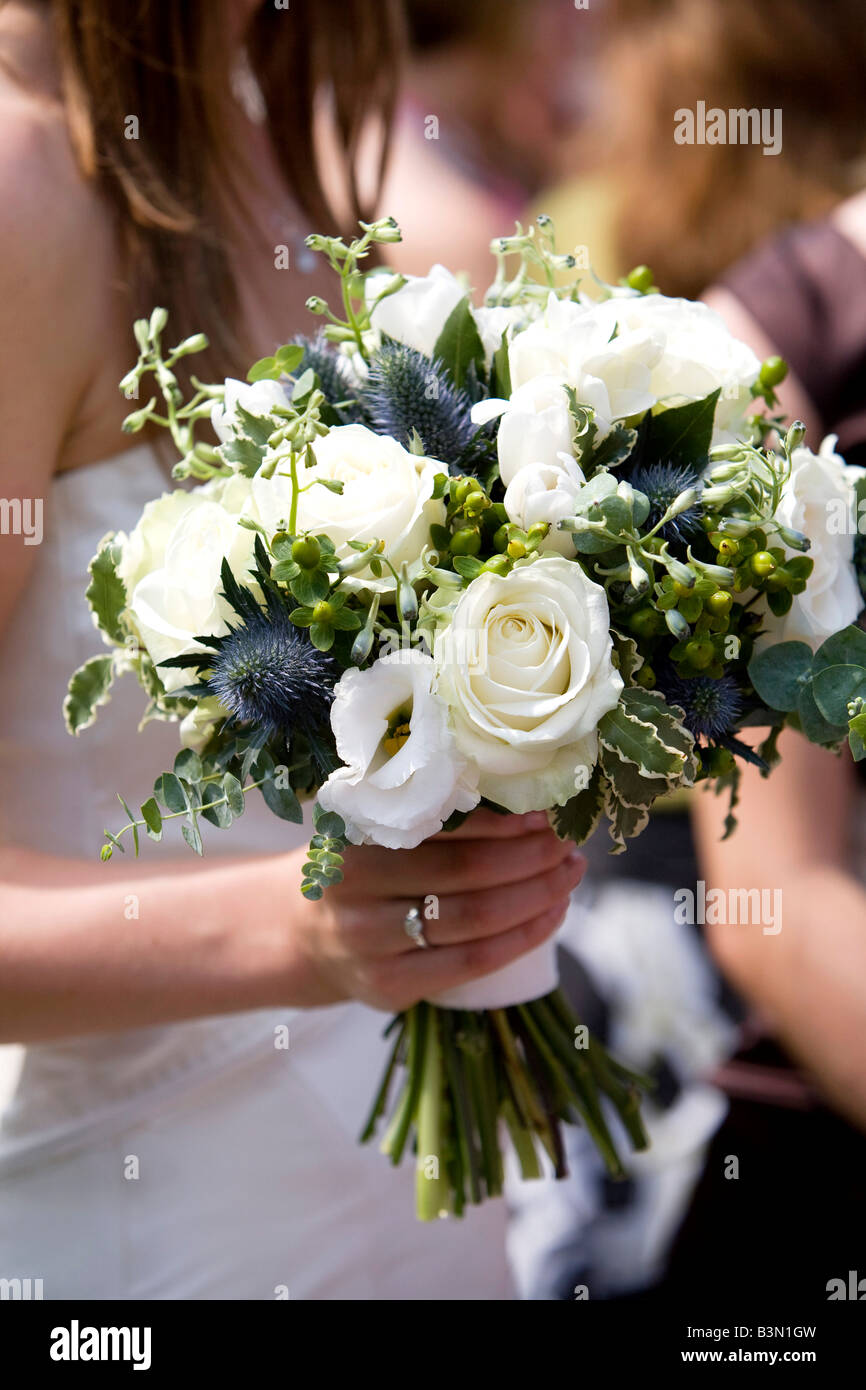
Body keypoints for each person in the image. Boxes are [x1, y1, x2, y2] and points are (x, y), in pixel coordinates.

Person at [0, 0, 586, 1300]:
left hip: (394, 1186)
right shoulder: (18, 180)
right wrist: (302, 931)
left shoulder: (256, 122)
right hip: (160, 1241)